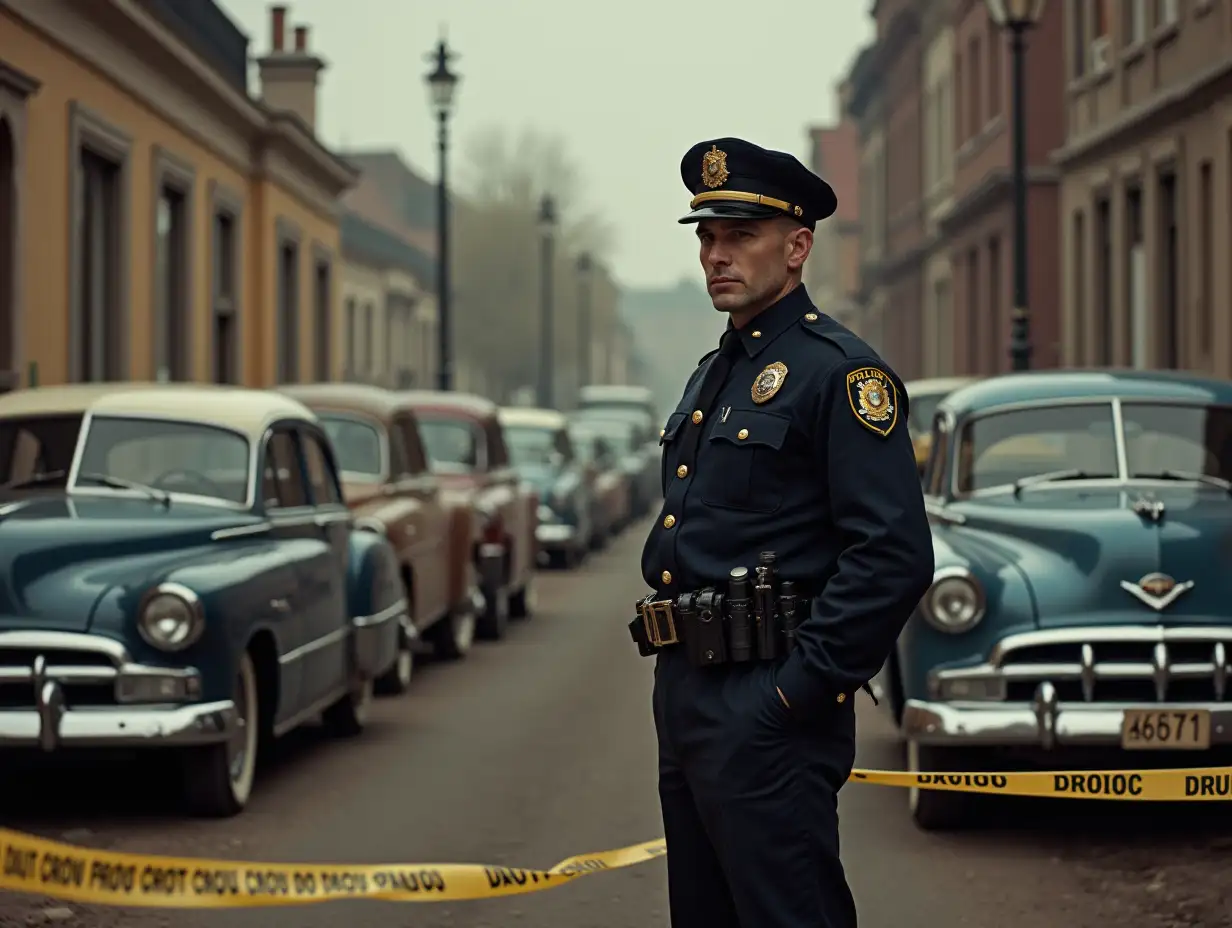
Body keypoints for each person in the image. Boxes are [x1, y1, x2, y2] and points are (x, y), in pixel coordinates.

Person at [631, 137, 935, 928]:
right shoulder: (715, 371)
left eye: (739, 236)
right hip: (690, 692)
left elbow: (893, 555)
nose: (715, 256)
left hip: (769, 704)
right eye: (706, 237)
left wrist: (795, 694)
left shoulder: (840, 373)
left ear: (797, 247)